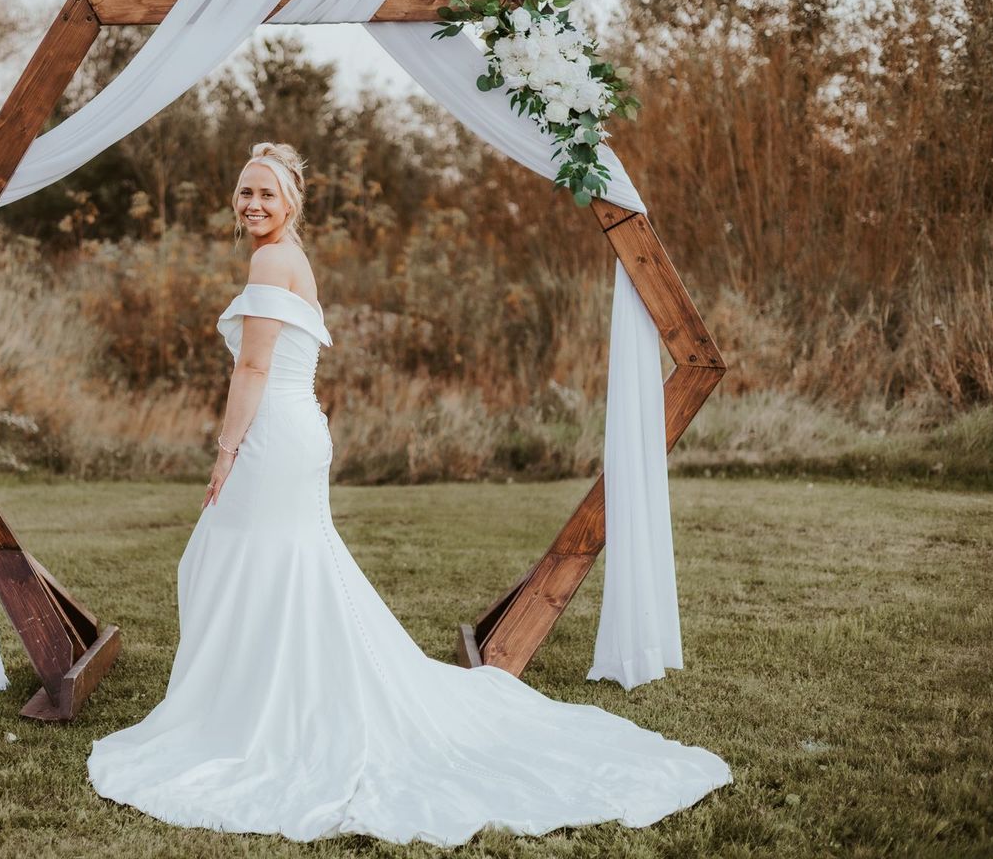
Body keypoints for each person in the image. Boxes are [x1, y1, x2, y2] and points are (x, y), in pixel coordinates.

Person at [86, 142, 732, 847]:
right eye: (244, 193)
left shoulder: (272, 261)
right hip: (293, 429)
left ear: (293, 202)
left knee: (243, 559)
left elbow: (255, 369)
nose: (253, 205)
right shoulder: (289, 259)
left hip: (272, 436)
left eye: (266, 194)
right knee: (261, 562)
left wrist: (225, 452)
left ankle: (259, 713)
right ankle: (267, 700)